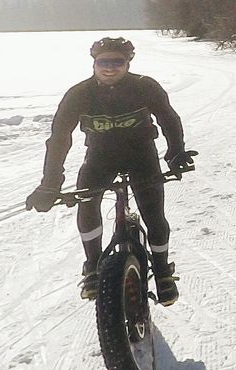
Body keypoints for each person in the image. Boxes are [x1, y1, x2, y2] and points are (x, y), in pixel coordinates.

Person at [25, 36, 193, 303]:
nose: (110, 68)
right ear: (94, 63)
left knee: (153, 213)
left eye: (118, 62)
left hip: (141, 156)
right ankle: (93, 267)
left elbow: (168, 119)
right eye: (104, 62)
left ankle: (162, 271)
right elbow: (59, 139)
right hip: (100, 158)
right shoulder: (79, 94)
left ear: (128, 63)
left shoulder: (145, 87)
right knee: (87, 204)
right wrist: (50, 184)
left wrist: (175, 153)